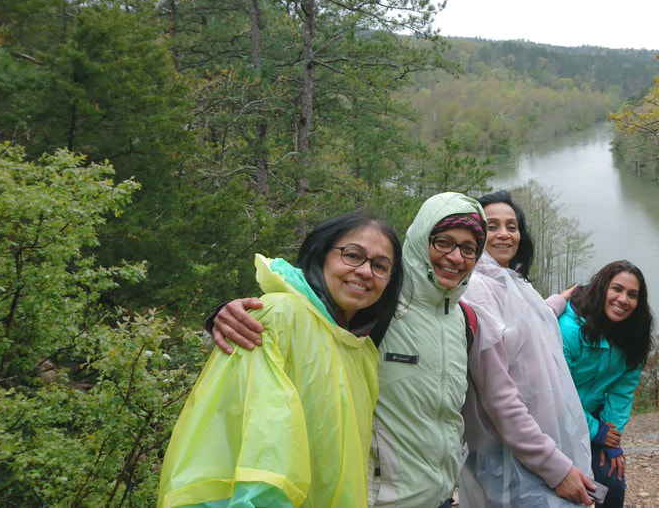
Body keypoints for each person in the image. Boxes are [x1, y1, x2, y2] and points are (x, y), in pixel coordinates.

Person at [207, 192, 486, 508]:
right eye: (444, 242)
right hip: (377, 500)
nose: (455, 257)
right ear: (423, 239)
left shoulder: (464, 320)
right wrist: (228, 313)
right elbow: (313, 314)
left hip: (439, 499)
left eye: (468, 248)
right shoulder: (381, 306)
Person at [159, 213, 404, 507]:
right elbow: (256, 451)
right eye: (353, 255)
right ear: (321, 254)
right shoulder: (277, 316)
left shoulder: (361, 350)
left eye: (380, 266)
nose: (365, 271)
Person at [459, 190, 595, 507]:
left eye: (512, 225)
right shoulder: (476, 290)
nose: (505, 234)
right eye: (492, 226)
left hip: (532, 447)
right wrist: (557, 469)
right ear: (475, 233)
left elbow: (532, 319)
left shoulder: (508, 282)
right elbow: (499, 398)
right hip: (509, 456)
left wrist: (564, 298)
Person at [559, 260, 654, 508]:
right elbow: (558, 394)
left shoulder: (634, 337)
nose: (623, 300)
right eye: (617, 289)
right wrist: (596, 431)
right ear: (602, 288)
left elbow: (621, 392)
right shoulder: (570, 330)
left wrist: (611, 437)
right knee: (561, 484)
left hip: (593, 415)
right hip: (553, 416)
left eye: (632, 295)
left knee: (612, 483)